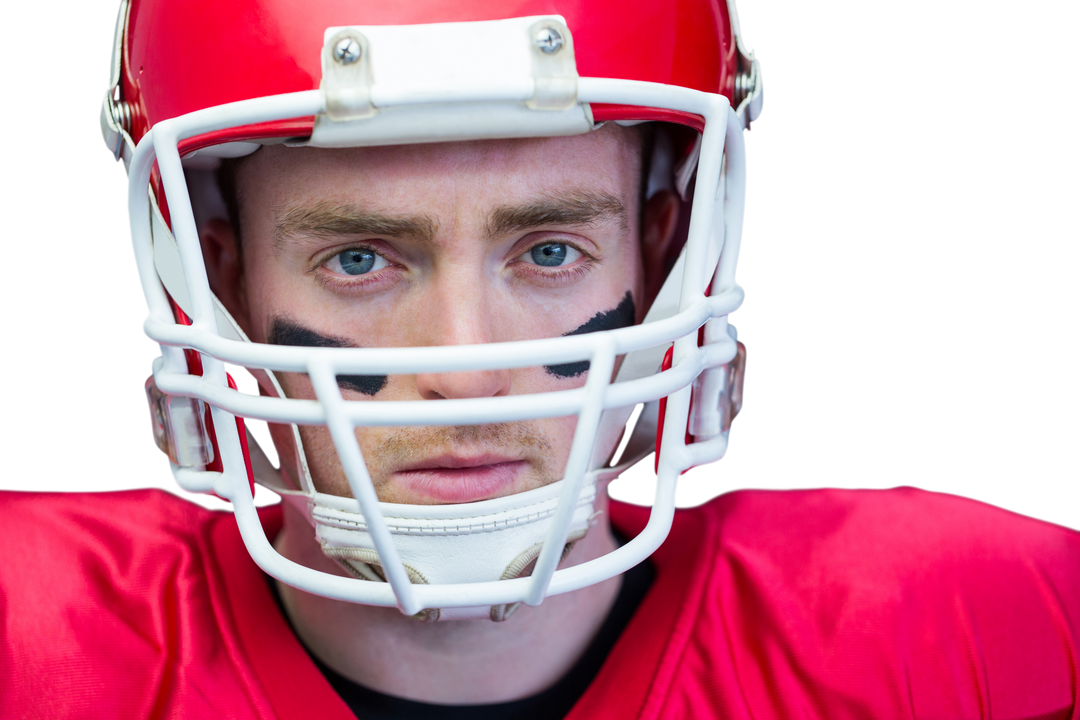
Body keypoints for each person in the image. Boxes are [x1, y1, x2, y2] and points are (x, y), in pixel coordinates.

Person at [2, 1, 1078, 718]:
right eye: (361, 258)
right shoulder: (30, 638)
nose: (468, 368)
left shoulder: (968, 626)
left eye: (552, 250)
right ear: (225, 284)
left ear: (659, 258)